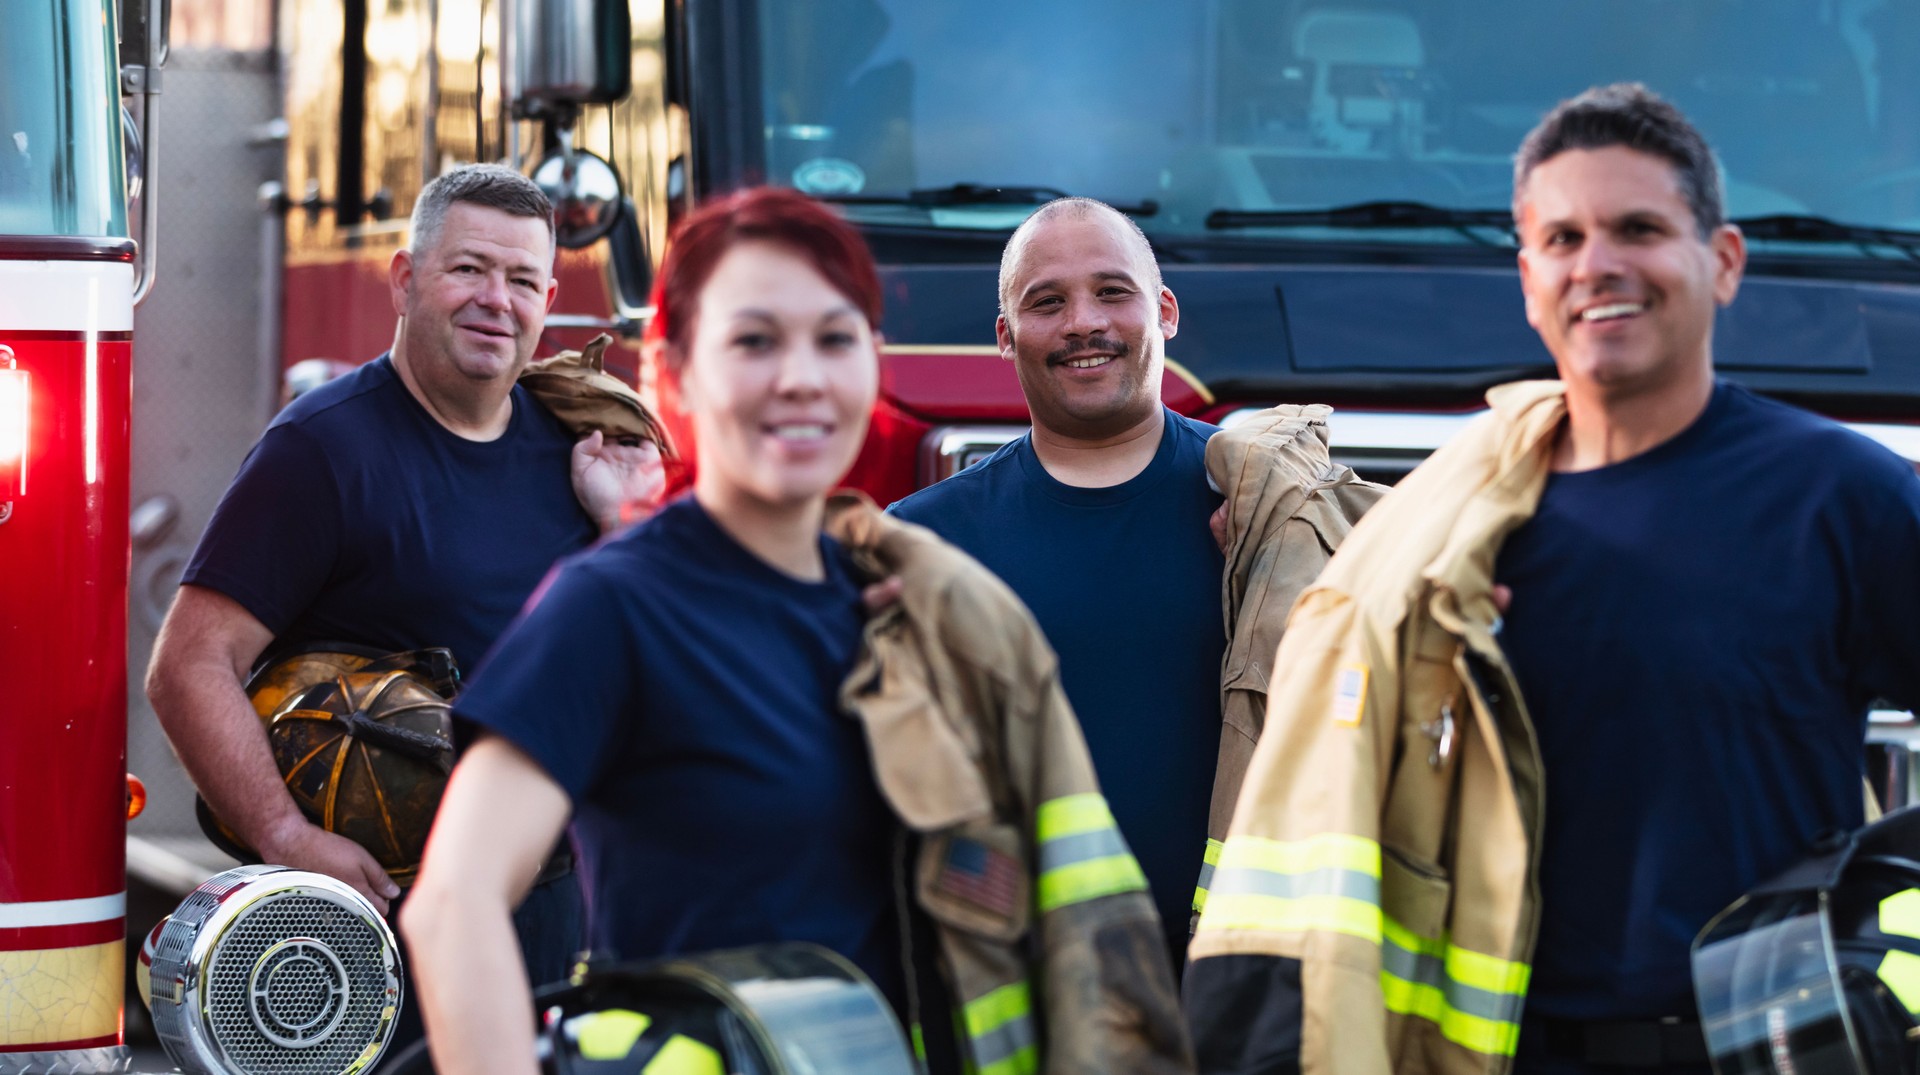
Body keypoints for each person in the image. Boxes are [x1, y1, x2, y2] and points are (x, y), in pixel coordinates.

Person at [1183, 82, 1920, 1074]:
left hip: (1755, 1053)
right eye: (1564, 240)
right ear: (1529, 281)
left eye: (1639, 228)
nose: (1599, 265)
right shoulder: (1443, 531)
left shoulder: (1846, 500)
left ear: (1725, 261)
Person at [400, 186, 1192, 1075]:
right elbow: (454, 904)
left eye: (834, 336)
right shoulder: (617, 606)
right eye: (755, 340)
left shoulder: (905, 604)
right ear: (677, 366)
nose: (801, 376)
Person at [146, 164, 662, 1054]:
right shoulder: (321, 449)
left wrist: (622, 525)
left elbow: (635, 675)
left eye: (524, 280)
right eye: (468, 269)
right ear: (404, 278)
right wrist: (284, 835)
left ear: (547, 302)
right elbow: (189, 665)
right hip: (381, 929)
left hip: (555, 908)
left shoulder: (577, 453)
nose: (496, 300)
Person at [887, 198, 1226, 964]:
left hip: (1232, 990)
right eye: (1047, 302)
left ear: (1164, 311)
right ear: (1005, 338)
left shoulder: (1271, 509)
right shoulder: (922, 541)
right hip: (1022, 987)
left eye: (1113, 292)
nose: (1083, 322)